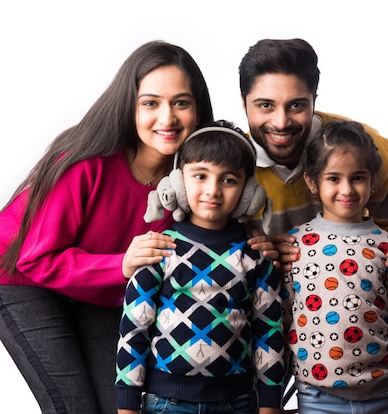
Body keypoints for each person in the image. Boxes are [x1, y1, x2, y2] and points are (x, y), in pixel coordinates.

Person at [0, 40, 216, 414]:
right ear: (129, 106)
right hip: (23, 278)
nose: (167, 118)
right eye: (150, 103)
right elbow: (36, 258)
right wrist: (119, 265)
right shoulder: (85, 163)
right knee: (74, 407)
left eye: (180, 102)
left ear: (198, 109)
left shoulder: (196, 181)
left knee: (123, 406)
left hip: (101, 288)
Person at [115, 121, 285, 414]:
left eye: (229, 180)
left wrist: (270, 404)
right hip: (166, 403)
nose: (213, 190)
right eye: (200, 176)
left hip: (237, 402)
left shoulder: (256, 256)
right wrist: (128, 405)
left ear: (248, 192)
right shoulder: (158, 250)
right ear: (179, 184)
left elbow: (268, 331)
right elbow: (134, 329)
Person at [238, 38, 388, 287]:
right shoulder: (229, 165)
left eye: (297, 105)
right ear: (243, 102)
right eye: (265, 105)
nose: (281, 122)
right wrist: (261, 253)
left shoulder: (362, 147)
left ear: (314, 100)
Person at [281, 120, 388, 414]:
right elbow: (281, 323)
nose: (346, 189)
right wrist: (269, 400)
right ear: (312, 181)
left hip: (383, 396)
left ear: (373, 181)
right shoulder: (295, 245)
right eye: (333, 178)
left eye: (357, 177)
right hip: (316, 398)